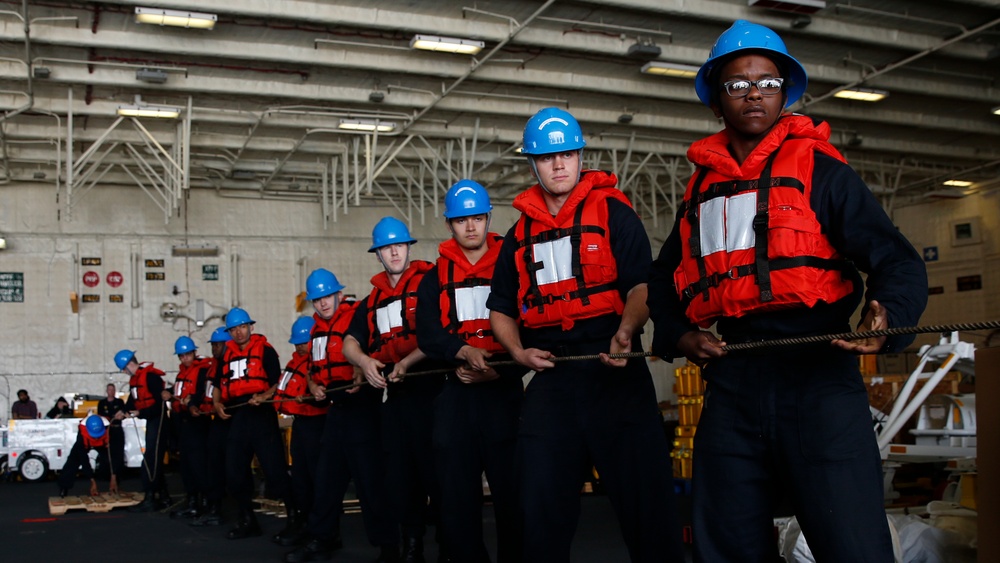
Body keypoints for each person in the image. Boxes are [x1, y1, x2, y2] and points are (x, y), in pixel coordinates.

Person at [646, 20, 929, 563]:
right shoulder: (702, 190)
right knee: (724, 545)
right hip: (733, 381)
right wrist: (679, 333)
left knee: (853, 544)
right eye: (738, 83)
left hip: (819, 376)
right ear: (716, 101)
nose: (754, 91)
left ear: (785, 93)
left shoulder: (821, 170)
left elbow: (895, 257)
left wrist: (888, 316)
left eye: (768, 82)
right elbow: (663, 279)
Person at [487, 107, 684, 562]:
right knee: (536, 505)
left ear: (580, 157)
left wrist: (627, 330)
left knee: (647, 506)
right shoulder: (518, 236)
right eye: (547, 157)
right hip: (552, 377)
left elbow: (642, 286)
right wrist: (516, 351)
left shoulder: (615, 213)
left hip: (615, 371)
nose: (559, 165)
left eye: (567, 154)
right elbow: (499, 308)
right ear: (532, 164)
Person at [416, 180, 523, 562]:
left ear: (488, 218)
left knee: (513, 495)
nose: (471, 227)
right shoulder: (435, 277)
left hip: (504, 395)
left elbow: (528, 324)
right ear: (449, 225)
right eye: (462, 220)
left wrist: (501, 371)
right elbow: (427, 331)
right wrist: (460, 351)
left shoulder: (513, 265)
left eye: (478, 218)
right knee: (456, 498)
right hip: (456, 395)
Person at [343, 217, 446, 562]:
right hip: (395, 396)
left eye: (399, 245)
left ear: (408, 247)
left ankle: (449, 545)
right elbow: (349, 343)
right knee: (401, 477)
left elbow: (440, 332)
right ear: (378, 255)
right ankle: (412, 543)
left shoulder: (430, 281)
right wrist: (365, 362)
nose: (394, 252)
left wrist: (408, 362)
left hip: (431, 388)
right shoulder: (371, 300)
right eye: (387, 248)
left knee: (438, 473)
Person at [286, 269, 398, 563]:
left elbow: (375, 350)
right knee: (326, 480)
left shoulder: (357, 316)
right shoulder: (314, 330)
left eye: (327, 297)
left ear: (338, 294)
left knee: (370, 482)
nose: (323, 304)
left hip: (362, 407)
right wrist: (313, 385)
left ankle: (389, 548)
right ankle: (323, 537)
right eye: (317, 300)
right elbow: (311, 368)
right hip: (335, 408)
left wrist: (361, 369)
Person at [214, 307, 294, 540]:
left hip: (261, 416)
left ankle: (294, 518)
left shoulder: (265, 351)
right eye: (234, 329)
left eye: (242, 327)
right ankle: (247, 519)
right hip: (237, 418)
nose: (239, 332)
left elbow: (277, 383)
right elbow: (219, 383)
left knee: (275, 470)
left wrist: (264, 396)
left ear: (251, 327)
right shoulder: (226, 355)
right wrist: (218, 403)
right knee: (235, 471)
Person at [272, 316, 326, 548]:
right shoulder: (295, 363)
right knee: (301, 479)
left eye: (303, 342)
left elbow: (327, 395)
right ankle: (303, 523)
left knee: (317, 479)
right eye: (296, 343)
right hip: (300, 424)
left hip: (317, 425)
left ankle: (320, 529)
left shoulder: (320, 363)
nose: (299, 347)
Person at [116, 349, 171, 512]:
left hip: (159, 421)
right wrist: (124, 412)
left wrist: (142, 413)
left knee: (150, 460)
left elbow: (157, 405)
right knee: (153, 459)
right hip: (151, 421)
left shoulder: (150, 377)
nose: (124, 373)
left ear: (127, 365)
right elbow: (133, 401)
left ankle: (150, 496)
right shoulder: (135, 380)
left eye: (123, 369)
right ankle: (163, 496)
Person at [169, 336, 215, 520]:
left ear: (194, 353)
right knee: (186, 466)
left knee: (199, 465)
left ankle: (206, 503)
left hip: (198, 422)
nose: (185, 358)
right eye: (181, 356)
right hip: (184, 423)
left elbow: (202, 392)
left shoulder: (203, 370)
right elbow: (178, 397)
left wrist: (191, 403)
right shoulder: (180, 375)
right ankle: (192, 501)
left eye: (188, 354)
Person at [191, 326, 232, 528]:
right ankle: (214, 507)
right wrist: (193, 405)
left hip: (233, 418)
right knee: (213, 462)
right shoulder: (213, 367)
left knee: (232, 466)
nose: (214, 348)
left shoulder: (231, 363)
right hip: (215, 420)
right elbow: (204, 391)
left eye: (218, 344)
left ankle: (235, 509)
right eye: (214, 345)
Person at [56, 414, 124, 497]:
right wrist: (92, 480)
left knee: (113, 460)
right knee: (73, 461)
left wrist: (114, 476)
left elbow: (117, 454)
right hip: (87, 443)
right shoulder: (82, 433)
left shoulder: (112, 429)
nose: (96, 438)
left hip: (103, 444)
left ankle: (114, 484)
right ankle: (64, 487)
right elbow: (84, 459)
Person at [96, 383, 127, 481]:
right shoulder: (102, 403)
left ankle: (118, 474)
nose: (111, 392)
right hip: (107, 431)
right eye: (109, 390)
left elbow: (124, 413)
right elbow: (101, 417)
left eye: (113, 390)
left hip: (117, 429)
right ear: (106, 391)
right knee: (107, 452)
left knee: (119, 452)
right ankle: (107, 475)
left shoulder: (120, 402)